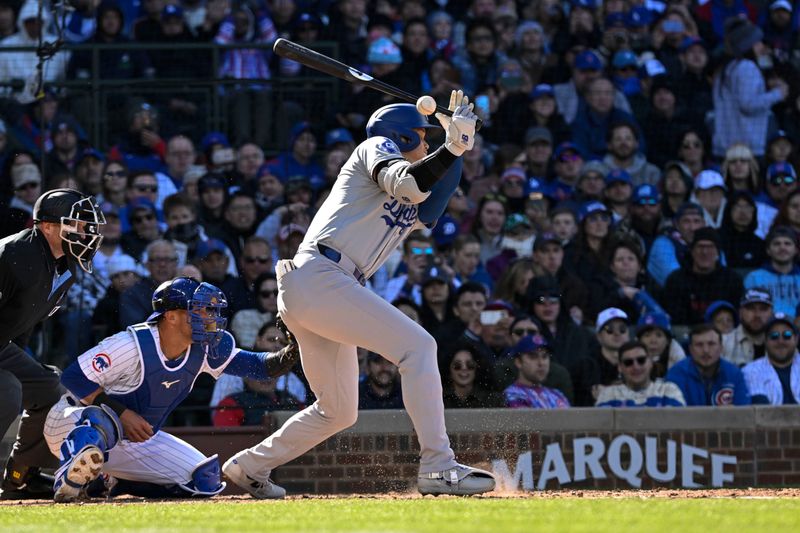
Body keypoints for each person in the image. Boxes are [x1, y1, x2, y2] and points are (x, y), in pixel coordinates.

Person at [223, 92, 495, 498]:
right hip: (323, 275)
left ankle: (249, 466)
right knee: (419, 347)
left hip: (326, 286)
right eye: (421, 137)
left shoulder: (412, 170)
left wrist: (456, 146)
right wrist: (451, 144)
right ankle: (438, 465)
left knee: (337, 411)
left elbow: (431, 193)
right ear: (401, 136)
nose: (425, 145)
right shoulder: (375, 147)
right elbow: (410, 185)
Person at [43, 278, 299, 502]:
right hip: (71, 423)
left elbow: (259, 367)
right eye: (199, 309)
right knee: (103, 420)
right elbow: (74, 376)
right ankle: (68, 480)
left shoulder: (205, 348)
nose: (209, 317)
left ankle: (111, 481)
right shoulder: (132, 344)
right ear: (171, 315)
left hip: (132, 439)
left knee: (204, 480)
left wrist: (292, 350)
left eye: (209, 309)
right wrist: (123, 413)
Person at [0, 189, 105, 499]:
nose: (86, 233)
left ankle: (21, 476)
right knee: (8, 390)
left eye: (88, 226)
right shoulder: (13, 254)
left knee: (51, 390)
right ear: (46, 226)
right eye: (77, 225)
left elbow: (21, 327)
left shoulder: (63, 267)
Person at [662, 227, 744, 325]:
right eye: (700, 247)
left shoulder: (732, 280)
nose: (704, 252)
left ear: (718, 252)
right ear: (692, 251)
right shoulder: (676, 280)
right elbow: (674, 319)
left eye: (710, 247)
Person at [665, 323, 751, 406]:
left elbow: (744, 412)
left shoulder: (734, 374)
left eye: (711, 344)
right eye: (699, 345)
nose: (706, 350)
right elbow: (673, 415)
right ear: (690, 349)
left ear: (721, 347)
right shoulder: (676, 374)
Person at [595, 341, 686, 407]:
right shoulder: (609, 393)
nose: (636, 367)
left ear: (650, 362)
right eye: (628, 362)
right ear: (620, 367)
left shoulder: (668, 390)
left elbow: (676, 427)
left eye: (641, 360)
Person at [743, 313, 799, 405]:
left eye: (787, 335)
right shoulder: (751, 371)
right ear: (765, 340)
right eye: (774, 336)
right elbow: (762, 412)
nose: (780, 341)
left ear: (796, 339)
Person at [503, 334, 570, 409]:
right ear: (518, 362)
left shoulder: (557, 394)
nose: (541, 363)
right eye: (533, 357)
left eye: (544, 356)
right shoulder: (512, 394)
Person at [744, 226, 800, 316]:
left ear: (796, 250)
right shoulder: (754, 277)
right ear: (768, 250)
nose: (782, 248)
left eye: (787, 244)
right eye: (777, 244)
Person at [722, 288, 774, 367]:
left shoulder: (783, 342)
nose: (757, 315)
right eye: (751, 308)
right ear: (740, 312)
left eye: (763, 309)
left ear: (772, 313)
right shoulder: (723, 343)